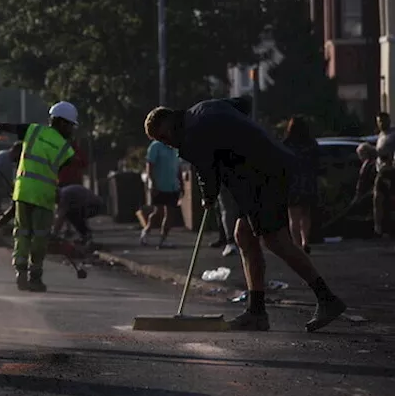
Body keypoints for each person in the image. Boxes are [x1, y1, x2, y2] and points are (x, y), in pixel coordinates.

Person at [144, 98, 348, 332]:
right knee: (243, 235)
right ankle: (256, 311)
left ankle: (326, 298)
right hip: (261, 171)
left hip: (262, 175)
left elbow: (206, 170)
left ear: (169, 121)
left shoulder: (191, 133)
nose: (167, 143)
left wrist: (207, 197)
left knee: (276, 240)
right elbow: (244, 103)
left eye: (163, 137)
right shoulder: (203, 110)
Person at [0, 102, 79, 292]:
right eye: (71, 126)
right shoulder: (67, 150)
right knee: (40, 237)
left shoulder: (32, 131)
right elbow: (64, 173)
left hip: (23, 192)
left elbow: (0, 126)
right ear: (64, 124)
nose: (72, 130)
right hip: (43, 197)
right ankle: (35, 277)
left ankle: (20, 273)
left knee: (22, 233)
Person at [282, 115, 321, 253]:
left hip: (293, 183)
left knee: (293, 216)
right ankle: (306, 240)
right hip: (308, 181)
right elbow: (318, 162)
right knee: (306, 213)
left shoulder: (286, 144)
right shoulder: (311, 143)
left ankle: (297, 244)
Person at [139, 136, 183, 248]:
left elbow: (178, 167)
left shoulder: (175, 148)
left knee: (171, 213)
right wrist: (152, 183)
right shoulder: (156, 146)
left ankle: (163, 240)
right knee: (158, 212)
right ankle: (146, 231)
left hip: (172, 186)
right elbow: (150, 165)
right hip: (159, 185)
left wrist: (181, 184)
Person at [374, 113, 395, 238]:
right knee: (379, 199)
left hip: (389, 171)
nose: (381, 124)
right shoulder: (381, 135)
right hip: (380, 170)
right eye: (379, 121)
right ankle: (379, 227)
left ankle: (383, 227)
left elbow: (384, 152)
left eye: (383, 121)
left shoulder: (392, 136)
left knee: (382, 198)